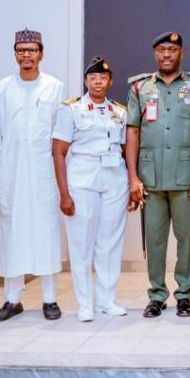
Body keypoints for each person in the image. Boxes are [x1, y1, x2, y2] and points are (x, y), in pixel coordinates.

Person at [125, 32, 190, 319]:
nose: (166, 54)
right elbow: (132, 132)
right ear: (155, 53)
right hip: (150, 178)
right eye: (162, 49)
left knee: (186, 240)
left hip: (186, 177)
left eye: (172, 50)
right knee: (154, 241)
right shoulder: (140, 87)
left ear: (181, 53)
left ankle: (184, 295)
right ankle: (157, 295)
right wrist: (133, 178)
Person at [0, 29, 67, 322]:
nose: (26, 55)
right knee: (13, 232)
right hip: (12, 171)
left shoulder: (55, 87)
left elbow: (62, 134)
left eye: (32, 50)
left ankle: (50, 299)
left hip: (45, 173)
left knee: (47, 231)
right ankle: (12, 300)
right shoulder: (2, 88)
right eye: (21, 50)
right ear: (15, 54)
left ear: (41, 54)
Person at [52, 57, 132, 322]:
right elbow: (58, 152)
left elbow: (127, 150)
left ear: (110, 81)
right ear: (86, 81)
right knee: (81, 242)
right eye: (93, 77)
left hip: (115, 177)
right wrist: (64, 194)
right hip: (83, 176)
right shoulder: (71, 109)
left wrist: (132, 182)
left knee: (110, 242)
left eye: (103, 78)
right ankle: (85, 303)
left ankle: (107, 300)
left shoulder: (120, 111)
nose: (98, 82)